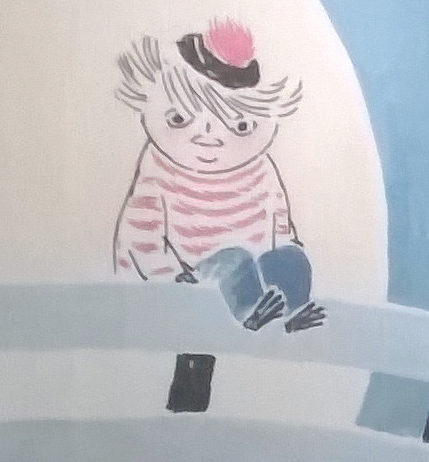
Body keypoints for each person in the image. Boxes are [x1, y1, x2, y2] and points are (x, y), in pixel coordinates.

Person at [111, 18, 323, 332]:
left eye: (241, 126)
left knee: (290, 259)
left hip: (260, 288)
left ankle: (290, 316)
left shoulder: (262, 169)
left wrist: (285, 261)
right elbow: (141, 244)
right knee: (233, 261)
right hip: (189, 287)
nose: (208, 138)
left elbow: (279, 226)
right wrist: (173, 285)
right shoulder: (157, 169)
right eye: (179, 118)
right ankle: (248, 316)